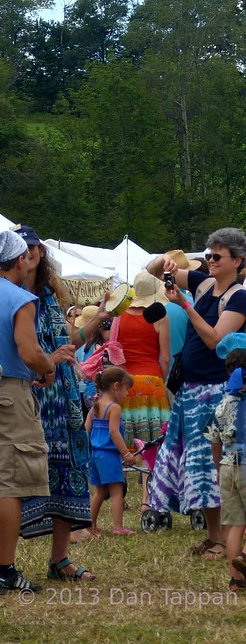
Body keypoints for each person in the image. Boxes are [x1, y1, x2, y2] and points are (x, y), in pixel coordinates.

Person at [145, 227, 246, 558]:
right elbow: (154, 270)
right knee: (197, 465)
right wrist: (164, 263)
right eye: (207, 255)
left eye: (216, 256)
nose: (210, 261)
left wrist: (186, 306)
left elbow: (217, 340)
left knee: (213, 465)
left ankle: (223, 539)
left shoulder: (238, 297)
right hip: (191, 390)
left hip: (216, 391)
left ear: (237, 261)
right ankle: (214, 535)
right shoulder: (205, 283)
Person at [15, 225, 97, 580]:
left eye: (33, 246)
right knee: (18, 478)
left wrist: (96, 324)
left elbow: (68, 344)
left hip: (64, 397)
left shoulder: (50, 295)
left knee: (69, 474)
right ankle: (8, 562)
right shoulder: (11, 294)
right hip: (30, 395)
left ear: (41, 251)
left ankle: (60, 560)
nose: (29, 252)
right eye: (23, 247)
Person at [0, 229, 73, 593]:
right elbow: (29, 353)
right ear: (18, 260)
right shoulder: (19, 298)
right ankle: (4, 569)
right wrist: (46, 366)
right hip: (9, 393)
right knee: (9, 483)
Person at [204, 335, 246, 590]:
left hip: (227, 465)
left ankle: (237, 579)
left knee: (234, 524)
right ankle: (245, 557)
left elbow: (213, 441)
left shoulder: (221, 405)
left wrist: (218, 469)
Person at [111, 270, 171, 508]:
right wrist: (162, 383)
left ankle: (120, 496)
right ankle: (147, 499)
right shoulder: (160, 316)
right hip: (152, 381)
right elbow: (165, 357)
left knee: (122, 438)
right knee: (150, 442)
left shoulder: (119, 316)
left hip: (124, 382)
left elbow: (114, 350)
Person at [85, 366, 136, 535]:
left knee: (100, 491)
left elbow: (86, 430)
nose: (127, 394)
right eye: (126, 390)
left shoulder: (95, 407)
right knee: (117, 491)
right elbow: (114, 433)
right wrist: (126, 453)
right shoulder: (114, 408)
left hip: (95, 454)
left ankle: (90, 524)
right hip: (109, 454)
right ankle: (118, 527)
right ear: (116, 386)